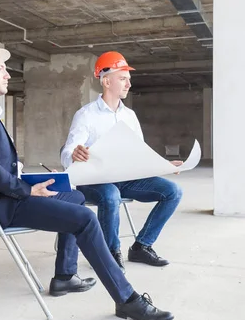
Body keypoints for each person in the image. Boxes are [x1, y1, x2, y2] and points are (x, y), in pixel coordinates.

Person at [0, 41, 173, 320]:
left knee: (74, 197)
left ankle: (65, 276)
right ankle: (127, 300)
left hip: (7, 196)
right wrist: (27, 189)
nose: (7, 74)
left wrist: (31, 181)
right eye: (0, 68)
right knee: (84, 219)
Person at [60, 51, 183, 274]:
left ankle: (141, 246)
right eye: (123, 78)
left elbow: (139, 153)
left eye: (128, 78)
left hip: (125, 179)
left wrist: (162, 164)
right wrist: (74, 154)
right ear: (106, 81)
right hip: (94, 181)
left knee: (173, 191)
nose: (129, 83)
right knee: (110, 195)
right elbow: (68, 151)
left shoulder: (130, 116)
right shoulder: (86, 115)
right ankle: (108, 253)